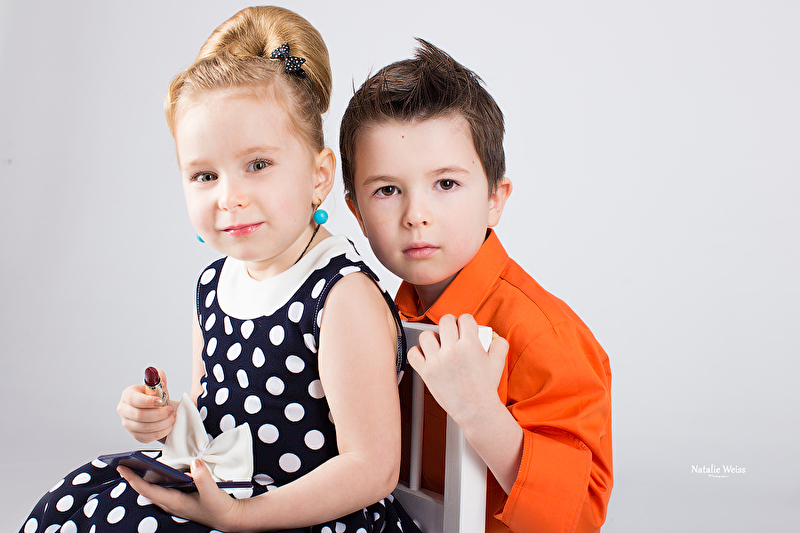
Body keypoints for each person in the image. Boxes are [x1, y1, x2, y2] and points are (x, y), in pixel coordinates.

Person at [19, 7, 420, 533]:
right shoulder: (213, 286)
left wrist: (240, 516)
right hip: (232, 497)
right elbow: (214, 433)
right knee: (78, 502)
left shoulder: (340, 296)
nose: (229, 197)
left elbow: (372, 469)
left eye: (258, 164)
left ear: (319, 175)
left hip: (307, 514)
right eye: (204, 175)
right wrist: (164, 420)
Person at [339, 40, 613, 533]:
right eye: (387, 190)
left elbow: (581, 519)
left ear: (494, 199)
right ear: (356, 212)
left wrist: (478, 410)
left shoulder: (542, 335)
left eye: (446, 184)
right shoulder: (373, 315)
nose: (415, 215)